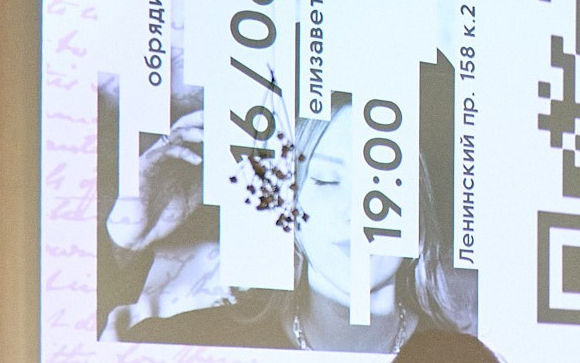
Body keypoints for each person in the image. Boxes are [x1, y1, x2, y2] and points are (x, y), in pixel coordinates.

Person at [102, 98, 475, 349]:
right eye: (326, 180)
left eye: (385, 185)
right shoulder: (197, 344)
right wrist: (123, 243)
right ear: (290, 208)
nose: (357, 212)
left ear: (420, 217)